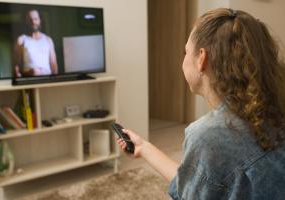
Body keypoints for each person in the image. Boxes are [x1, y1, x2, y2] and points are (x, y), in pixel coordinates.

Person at [117, 8, 285, 200]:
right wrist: (143, 147)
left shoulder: (210, 137)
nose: (183, 59)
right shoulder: (272, 110)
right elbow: (203, 181)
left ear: (201, 59)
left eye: (186, 51)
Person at [14, 9, 58, 77]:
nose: (33, 22)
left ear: (40, 20)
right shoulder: (21, 40)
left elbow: (54, 65)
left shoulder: (48, 40)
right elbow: (17, 66)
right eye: (30, 20)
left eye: (35, 19)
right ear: (26, 22)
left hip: (47, 80)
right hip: (29, 80)